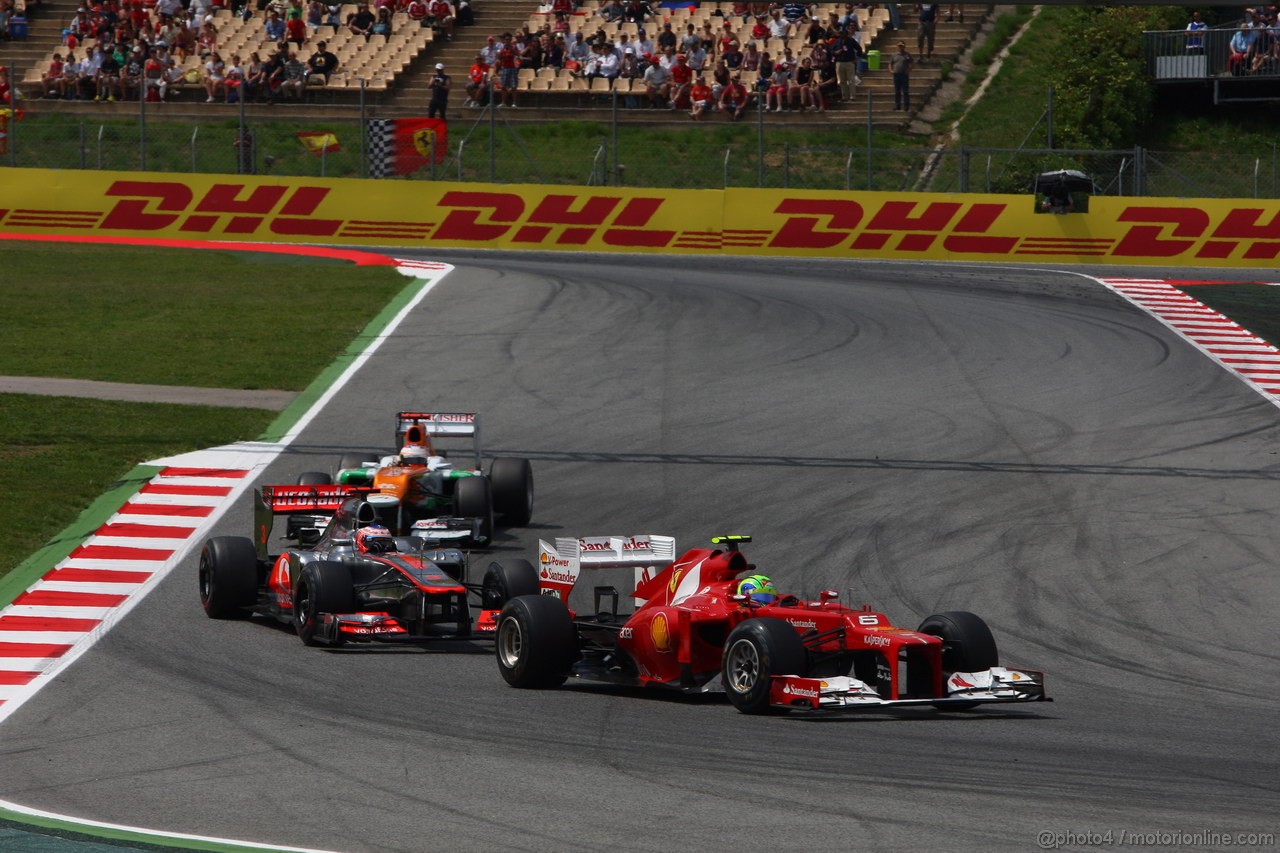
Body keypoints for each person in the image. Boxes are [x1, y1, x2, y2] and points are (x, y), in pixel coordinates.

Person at [889, 40, 912, 110]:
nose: (900, 48)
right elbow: (890, 63)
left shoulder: (907, 55)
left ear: (904, 47)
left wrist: (908, 70)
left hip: (904, 74)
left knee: (905, 91)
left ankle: (906, 106)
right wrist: (891, 70)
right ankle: (897, 105)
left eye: (902, 46)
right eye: (899, 46)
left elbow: (912, 63)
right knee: (897, 91)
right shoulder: (894, 55)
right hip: (896, 74)